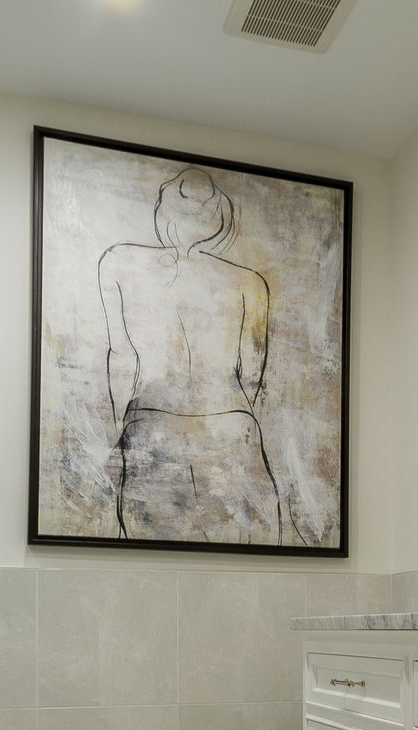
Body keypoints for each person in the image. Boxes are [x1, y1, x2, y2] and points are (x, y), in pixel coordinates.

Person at [98, 167, 283, 543]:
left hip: (152, 424)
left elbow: (122, 358)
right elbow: (251, 374)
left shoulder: (119, 263)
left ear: (165, 210)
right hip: (231, 426)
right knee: (247, 559)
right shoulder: (250, 283)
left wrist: (118, 428)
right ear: (219, 216)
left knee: (150, 559)